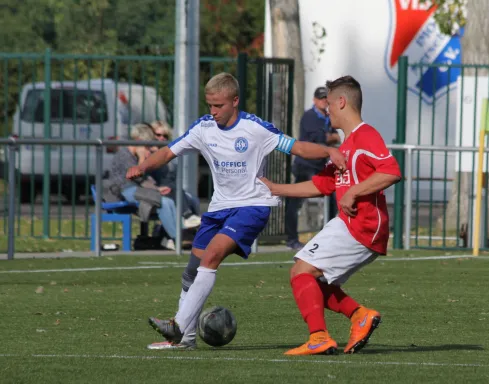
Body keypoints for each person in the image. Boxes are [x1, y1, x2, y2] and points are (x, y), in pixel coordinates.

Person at [125, 72, 346, 350]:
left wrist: (328, 151)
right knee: (191, 272)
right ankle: (186, 340)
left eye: (218, 105)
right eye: (210, 105)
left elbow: (296, 146)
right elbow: (168, 152)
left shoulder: (256, 129)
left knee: (212, 254)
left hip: (252, 206)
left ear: (235, 101)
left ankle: (178, 326)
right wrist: (142, 167)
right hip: (219, 208)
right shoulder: (203, 128)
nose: (213, 111)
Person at [260, 75, 402, 355]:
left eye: (329, 103)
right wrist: (275, 188)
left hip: (362, 225)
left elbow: (391, 171)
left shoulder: (365, 135)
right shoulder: (346, 145)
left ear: (342, 102)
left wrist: (353, 193)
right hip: (350, 224)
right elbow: (321, 185)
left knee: (302, 270)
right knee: (309, 278)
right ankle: (359, 316)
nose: (326, 109)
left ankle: (319, 336)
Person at [106, 124, 197, 243]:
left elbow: (147, 179)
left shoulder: (134, 154)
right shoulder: (124, 154)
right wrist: (142, 158)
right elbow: (137, 176)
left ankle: (180, 233)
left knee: (168, 201)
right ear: (138, 141)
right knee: (163, 202)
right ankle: (176, 238)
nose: (148, 148)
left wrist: (157, 188)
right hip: (126, 190)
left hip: (139, 189)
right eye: (146, 145)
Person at [285, 86, 340, 250]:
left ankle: (326, 237)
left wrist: (331, 138)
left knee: (333, 199)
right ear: (315, 100)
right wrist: (332, 137)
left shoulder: (328, 117)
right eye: (321, 98)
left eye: (326, 99)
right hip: (305, 165)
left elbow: (330, 137)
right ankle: (291, 239)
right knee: (294, 202)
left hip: (320, 166)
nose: (324, 101)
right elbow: (320, 138)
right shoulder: (309, 116)